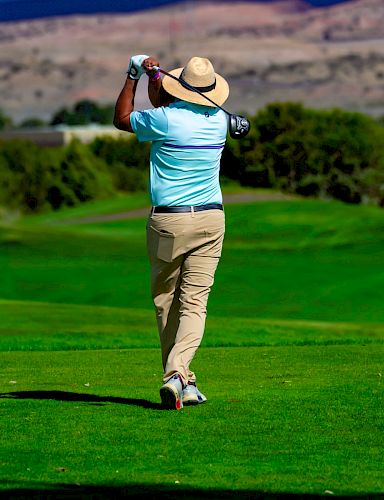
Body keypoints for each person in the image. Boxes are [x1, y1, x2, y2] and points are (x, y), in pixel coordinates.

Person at [113, 54, 229, 410]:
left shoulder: (165, 121)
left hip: (169, 222)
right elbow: (167, 101)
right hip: (212, 219)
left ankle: (175, 375)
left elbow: (121, 120)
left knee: (167, 300)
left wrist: (133, 75)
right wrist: (155, 77)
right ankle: (184, 379)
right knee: (194, 303)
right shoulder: (221, 121)